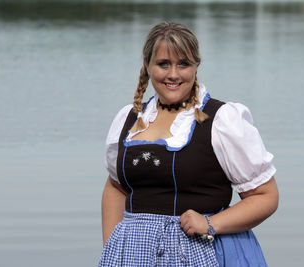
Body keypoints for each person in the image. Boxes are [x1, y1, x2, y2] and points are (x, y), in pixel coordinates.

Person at [99, 21, 279, 267]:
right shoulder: (128, 119)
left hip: (204, 253)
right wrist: (112, 245)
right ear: (147, 64)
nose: (173, 74)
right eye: (163, 64)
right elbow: (116, 187)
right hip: (132, 257)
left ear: (196, 65)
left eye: (183, 64)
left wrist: (210, 224)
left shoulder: (222, 120)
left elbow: (265, 196)